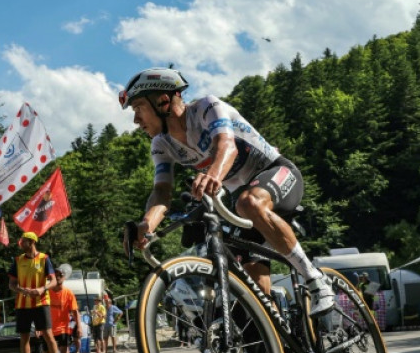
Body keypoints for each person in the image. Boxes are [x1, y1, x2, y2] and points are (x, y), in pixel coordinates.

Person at [122, 67, 335, 315]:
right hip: (241, 201)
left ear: (163, 101)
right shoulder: (161, 144)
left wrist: (212, 175)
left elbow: (226, 145)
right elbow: (162, 191)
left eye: (138, 108)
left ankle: (315, 279)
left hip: (277, 172)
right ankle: (276, 333)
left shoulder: (206, 107)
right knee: (252, 287)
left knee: (248, 202)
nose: (136, 120)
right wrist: (146, 225)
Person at [8, 231, 61, 353]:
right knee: (24, 337)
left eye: (23, 241)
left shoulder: (44, 258)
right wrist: (21, 290)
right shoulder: (18, 260)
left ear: (32, 242)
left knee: (48, 334)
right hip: (22, 304)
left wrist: (41, 289)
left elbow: (53, 281)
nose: (20, 243)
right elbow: (11, 284)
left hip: (41, 302)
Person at [41, 264, 80, 353]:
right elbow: (39, 309)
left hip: (63, 328)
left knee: (64, 352)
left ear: (64, 277)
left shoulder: (68, 293)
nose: (57, 277)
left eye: (60, 275)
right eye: (56, 275)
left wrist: (79, 327)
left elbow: (75, 312)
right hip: (48, 328)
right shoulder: (46, 291)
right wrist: (38, 327)